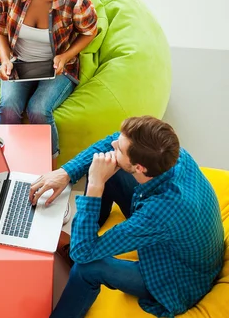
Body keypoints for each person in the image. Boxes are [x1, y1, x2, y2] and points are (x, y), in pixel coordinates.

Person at [29, 116, 224, 317]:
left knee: (87, 266)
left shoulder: (157, 214)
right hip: (181, 239)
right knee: (102, 163)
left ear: (140, 168)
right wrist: (65, 172)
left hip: (177, 279)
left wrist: (96, 185)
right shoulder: (171, 154)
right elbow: (112, 141)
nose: (114, 144)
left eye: (120, 148)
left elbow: (82, 255)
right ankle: (89, 235)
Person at [0, 0, 98, 162]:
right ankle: (4, 162)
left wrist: (65, 56)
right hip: (18, 62)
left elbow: (90, 31)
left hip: (57, 67)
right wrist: (6, 59)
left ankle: (47, 165)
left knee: (38, 110)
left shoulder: (73, 0)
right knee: (9, 106)